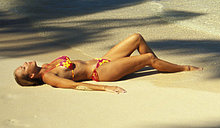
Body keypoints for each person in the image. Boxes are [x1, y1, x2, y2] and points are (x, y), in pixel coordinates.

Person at [13, 33, 201, 94]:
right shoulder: (48, 77)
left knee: (137, 38)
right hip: (101, 73)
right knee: (147, 59)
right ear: (31, 75)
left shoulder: (46, 65)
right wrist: (105, 88)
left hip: (103, 61)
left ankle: (157, 64)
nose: (24, 63)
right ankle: (183, 67)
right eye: (23, 67)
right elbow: (74, 85)